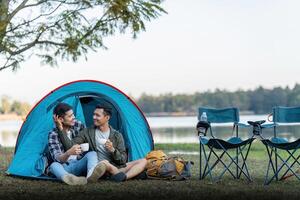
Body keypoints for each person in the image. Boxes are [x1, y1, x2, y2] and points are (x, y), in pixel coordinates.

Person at [72, 104, 147, 182]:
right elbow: (72, 144)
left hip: (115, 167)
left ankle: (124, 177)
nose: (94, 117)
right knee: (105, 163)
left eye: (97, 115)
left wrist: (113, 150)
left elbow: (123, 160)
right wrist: (63, 131)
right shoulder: (87, 132)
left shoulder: (117, 135)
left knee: (143, 161)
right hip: (98, 167)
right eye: (94, 114)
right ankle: (131, 174)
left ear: (107, 118)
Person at [47, 103, 107, 185]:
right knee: (54, 165)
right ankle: (69, 178)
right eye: (70, 116)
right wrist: (68, 153)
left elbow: (86, 141)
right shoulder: (53, 134)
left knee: (92, 154)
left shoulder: (78, 125)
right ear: (60, 119)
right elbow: (58, 158)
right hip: (65, 167)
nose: (74, 117)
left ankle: (90, 176)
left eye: (73, 114)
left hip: (79, 163)